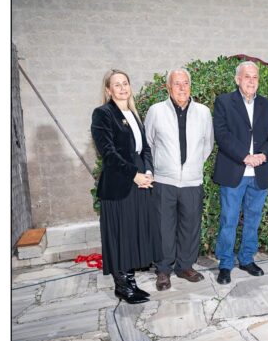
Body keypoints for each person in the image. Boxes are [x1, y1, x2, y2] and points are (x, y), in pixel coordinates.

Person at [91, 69, 161, 304]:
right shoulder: (103, 114)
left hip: (139, 181)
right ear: (108, 90)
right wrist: (134, 175)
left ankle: (131, 282)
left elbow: (144, 148)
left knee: (132, 233)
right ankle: (122, 286)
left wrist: (148, 171)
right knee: (120, 235)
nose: (122, 88)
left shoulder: (132, 113)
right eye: (117, 85)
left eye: (125, 83)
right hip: (119, 185)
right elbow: (108, 153)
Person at [144, 69, 214, 291]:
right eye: (177, 84)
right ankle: (163, 270)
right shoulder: (156, 111)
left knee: (190, 226)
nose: (182, 88)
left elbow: (208, 144)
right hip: (164, 181)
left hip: (192, 181)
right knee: (163, 227)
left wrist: (192, 165)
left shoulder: (203, 112)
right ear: (168, 87)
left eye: (185, 83)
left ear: (190, 86)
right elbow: (148, 143)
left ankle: (185, 266)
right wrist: (162, 167)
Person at [212, 61, 268, 285]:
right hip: (234, 170)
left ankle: (247, 259)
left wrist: (263, 155)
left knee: (253, 219)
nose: (251, 81)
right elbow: (222, 135)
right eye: (247, 76)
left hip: (259, 173)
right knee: (229, 220)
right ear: (237, 79)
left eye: (255, 77)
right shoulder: (224, 102)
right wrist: (245, 156)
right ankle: (225, 264)